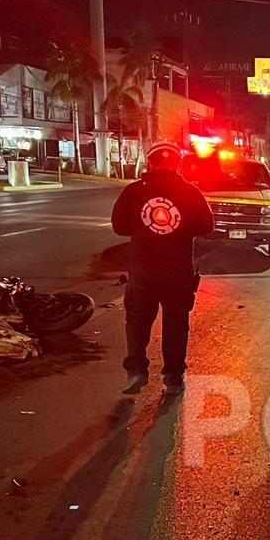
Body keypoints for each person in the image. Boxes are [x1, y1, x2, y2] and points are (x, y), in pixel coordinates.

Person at [111, 141, 215, 394]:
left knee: (137, 321)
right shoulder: (190, 191)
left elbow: (119, 227)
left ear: (150, 163)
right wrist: (181, 229)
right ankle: (173, 377)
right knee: (176, 323)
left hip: (142, 269)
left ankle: (136, 370)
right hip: (177, 270)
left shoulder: (134, 191)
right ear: (177, 164)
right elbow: (206, 227)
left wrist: (143, 228)